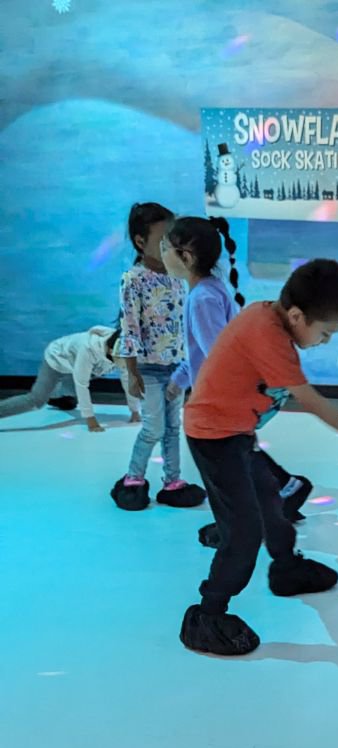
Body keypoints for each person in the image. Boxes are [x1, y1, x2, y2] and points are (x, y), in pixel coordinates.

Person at [180, 258, 338, 656]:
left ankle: (287, 566)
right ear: (296, 315)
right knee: (243, 532)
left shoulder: (269, 318)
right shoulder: (269, 337)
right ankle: (209, 613)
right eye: (325, 334)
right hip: (214, 438)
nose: (325, 342)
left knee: (272, 500)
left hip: (237, 435)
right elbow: (308, 399)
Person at [159, 215, 312, 547]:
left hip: (219, 402)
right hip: (227, 397)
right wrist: (183, 377)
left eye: (165, 247)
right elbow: (208, 348)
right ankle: (285, 488)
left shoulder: (201, 298)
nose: (162, 253)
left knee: (222, 470)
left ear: (185, 257)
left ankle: (234, 529)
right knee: (240, 456)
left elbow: (217, 352)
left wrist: (190, 384)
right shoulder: (212, 289)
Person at [110, 202, 205, 512]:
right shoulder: (133, 279)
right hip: (148, 369)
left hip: (177, 367)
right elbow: (130, 326)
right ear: (141, 241)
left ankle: (173, 480)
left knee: (173, 426)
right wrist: (133, 372)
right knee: (153, 426)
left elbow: (185, 322)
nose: (171, 246)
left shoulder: (179, 277)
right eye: (164, 239)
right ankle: (134, 478)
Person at [0, 326, 141, 430]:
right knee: (36, 400)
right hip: (56, 358)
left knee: (70, 402)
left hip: (76, 367)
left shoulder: (121, 350)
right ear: (111, 351)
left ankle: (55, 396)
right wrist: (90, 419)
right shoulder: (88, 348)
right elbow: (81, 383)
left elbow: (127, 379)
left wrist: (134, 410)